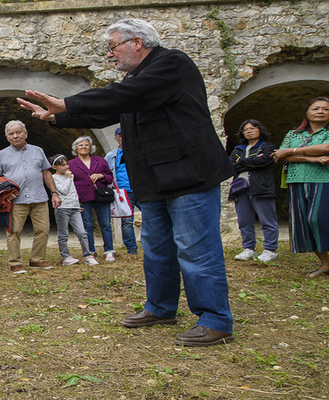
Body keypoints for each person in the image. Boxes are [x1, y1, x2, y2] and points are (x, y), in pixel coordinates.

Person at [17, 18, 234, 346]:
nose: (109, 55)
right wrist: (58, 115)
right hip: (154, 179)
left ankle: (215, 319)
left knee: (195, 248)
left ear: (137, 42)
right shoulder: (138, 83)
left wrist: (69, 102)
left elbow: (125, 95)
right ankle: (160, 307)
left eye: (112, 47)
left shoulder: (170, 64)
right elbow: (107, 112)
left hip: (189, 174)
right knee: (157, 248)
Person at [0, 120, 61, 274]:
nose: (15, 136)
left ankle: (37, 260)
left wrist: (54, 192)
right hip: (15, 201)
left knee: (43, 230)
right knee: (13, 231)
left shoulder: (38, 151)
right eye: (11, 134)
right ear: (7, 137)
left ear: (25, 133)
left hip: (39, 197)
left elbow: (46, 173)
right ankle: (15, 262)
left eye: (18, 132)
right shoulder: (1, 155)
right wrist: (5, 193)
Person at [272, 97, 329, 278]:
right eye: (316, 108)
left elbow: (326, 147)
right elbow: (281, 156)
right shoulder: (293, 134)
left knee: (317, 219)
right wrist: (312, 158)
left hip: (323, 180)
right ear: (307, 112)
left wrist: (291, 151)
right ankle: (326, 264)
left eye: (326, 109)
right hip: (296, 180)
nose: (321, 111)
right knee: (303, 223)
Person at [229, 120, 279, 263]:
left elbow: (265, 161)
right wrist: (251, 161)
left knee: (267, 220)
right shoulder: (238, 148)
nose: (249, 131)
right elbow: (231, 165)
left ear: (260, 130)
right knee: (244, 220)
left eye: (252, 128)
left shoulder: (268, 146)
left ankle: (270, 250)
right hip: (241, 188)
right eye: (246, 130)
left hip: (262, 188)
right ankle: (248, 249)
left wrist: (241, 162)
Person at [69, 136, 115, 261]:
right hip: (83, 197)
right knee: (86, 225)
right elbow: (69, 183)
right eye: (80, 145)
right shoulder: (71, 164)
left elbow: (110, 177)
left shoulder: (100, 161)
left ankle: (109, 250)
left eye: (86, 145)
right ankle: (91, 251)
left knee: (105, 224)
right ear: (76, 148)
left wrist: (101, 175)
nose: (83, 147)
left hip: (101, 196)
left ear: (91, 147)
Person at [50, 154, 98, 266]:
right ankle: (66, 256)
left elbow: (73, 191)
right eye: (62, 165)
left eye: (67, 164)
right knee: (63, 234)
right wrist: (68, 178)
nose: (66, 167)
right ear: (54, 167)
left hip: (74, 207)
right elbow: (64, 191)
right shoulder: (54, 178)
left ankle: (88, 254)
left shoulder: (70, 176)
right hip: (62, 208)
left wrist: (77, 203)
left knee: (82, 232)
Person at [105, 127, 142, 255]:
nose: (123, 138)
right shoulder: (111, 156)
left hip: (141, 188)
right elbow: (106, 172)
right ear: (116, 138)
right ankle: (131, 249)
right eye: (120, 136)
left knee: (153, 216)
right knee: (127, 221)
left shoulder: (139, 151)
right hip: (124, 192)